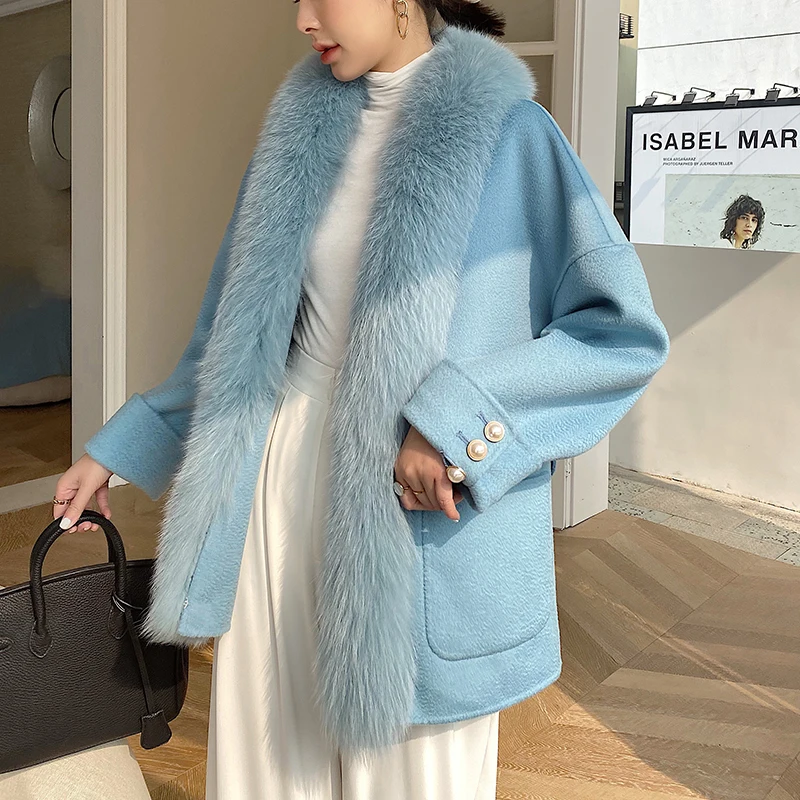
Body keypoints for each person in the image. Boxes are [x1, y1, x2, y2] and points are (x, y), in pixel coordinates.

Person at [53, 1, 671, 798]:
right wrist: (119, 448)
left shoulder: (512, 136)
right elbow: (234, 340)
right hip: (282, 484)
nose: (303, 19)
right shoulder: (296, 136)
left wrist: (453, 425)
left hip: (419, 508)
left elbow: (618, 334)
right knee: (271, 758)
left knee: (410, 776)